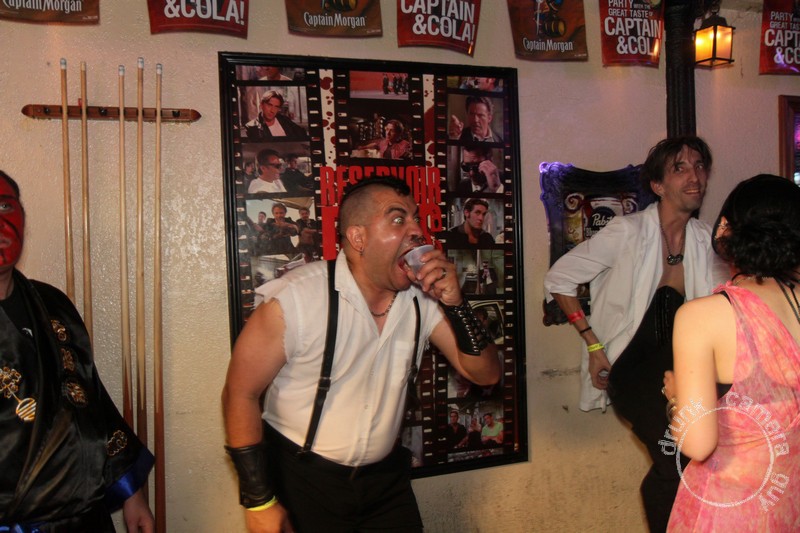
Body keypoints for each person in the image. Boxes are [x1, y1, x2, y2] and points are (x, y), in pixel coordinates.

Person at [222, 176, 500, 533]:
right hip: (302, 480)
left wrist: (457, 305)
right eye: (398, 219)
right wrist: (258, 499)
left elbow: (486, 374)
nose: (418, 231)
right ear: (358, 238)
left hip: (385, 483)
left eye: (416, 219)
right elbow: (240, 393)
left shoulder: (423, 302)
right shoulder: (296, 299)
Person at [544, 136, 722, 533]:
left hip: (683, 372)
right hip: (631, 370)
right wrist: (593, 344)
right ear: (657, 185)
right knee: (675, 458)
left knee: (703, 455)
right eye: (680, 168)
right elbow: (559, 278)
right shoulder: (627, 231)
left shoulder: (703, 238)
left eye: (699, 166)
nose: (695, 177)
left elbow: (728, 300)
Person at [0, 170, 154, 532]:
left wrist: (132, 495)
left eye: (5, 206)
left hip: (84, 518)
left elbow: (90, 399)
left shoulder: (51, 303)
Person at [663, 175, 800, 531]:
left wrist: (676, 398)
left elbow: (698, 443)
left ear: (725, 228)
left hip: (731, 512)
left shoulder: (701, 316)